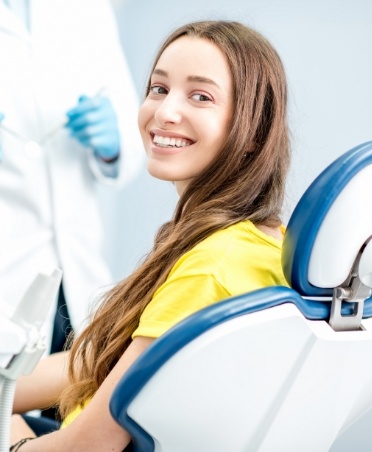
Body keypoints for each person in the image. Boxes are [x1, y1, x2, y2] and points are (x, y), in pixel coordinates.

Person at [10, 19, 290, 451]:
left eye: (200, 96)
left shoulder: (211, 267)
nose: (164, 112)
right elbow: (108, 356)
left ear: (253, 130)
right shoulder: (255, 241)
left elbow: (90, 446)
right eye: (159, 89)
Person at [0, 0, 143, 353]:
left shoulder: (87, 8)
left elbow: (132, 131)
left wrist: (113, 143)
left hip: (77, 269)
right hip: (8, 266)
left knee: (70, 393)